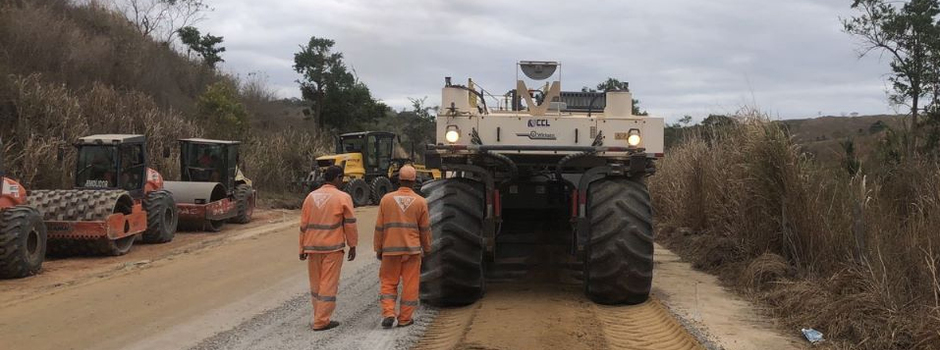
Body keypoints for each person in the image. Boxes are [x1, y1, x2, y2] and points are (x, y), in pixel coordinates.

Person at [299, 165, 358, 331]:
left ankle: (318, 315)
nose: (343, 182)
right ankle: (321, 321)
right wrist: (352, 245)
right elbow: (350, 224)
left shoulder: (311, 197)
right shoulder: (343, 197)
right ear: (337, 178)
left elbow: (303, 225)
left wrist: (301, 248)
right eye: (342, 178)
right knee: (328, 285)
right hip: (332, 248)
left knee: (316, 285)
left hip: (312, 247)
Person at [374, 165, 431, 329]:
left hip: (390, 250)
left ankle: (389, 313)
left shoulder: (386, 199)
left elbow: (379, 227)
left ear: (399, 180)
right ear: (414, 182)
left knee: (388, 282)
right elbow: (425, 229)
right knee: (410, 284)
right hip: (411, 251)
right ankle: (405, 318)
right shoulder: (421, 202)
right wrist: (426, 248)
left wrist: (378, 248)